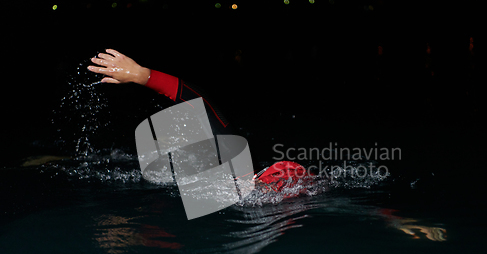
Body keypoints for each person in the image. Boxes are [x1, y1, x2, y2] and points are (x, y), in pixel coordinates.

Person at [87, 49, 316, 193]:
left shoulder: (244, 184)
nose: (270, 192)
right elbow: (202, 105)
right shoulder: (242, 173)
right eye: (271, 187)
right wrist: (142, 75)